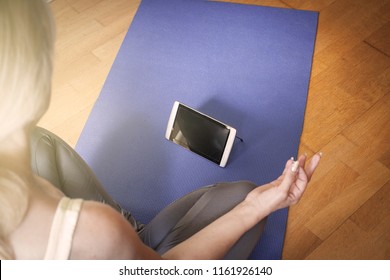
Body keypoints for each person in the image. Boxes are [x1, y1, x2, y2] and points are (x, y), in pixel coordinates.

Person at [0, 0, 321, 260]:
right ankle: (136, 245)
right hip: (114, 247)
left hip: (102, 241)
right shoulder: (95, 232)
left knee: (38, 142)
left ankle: (134, 241)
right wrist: (255, 207)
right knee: (242, 197)